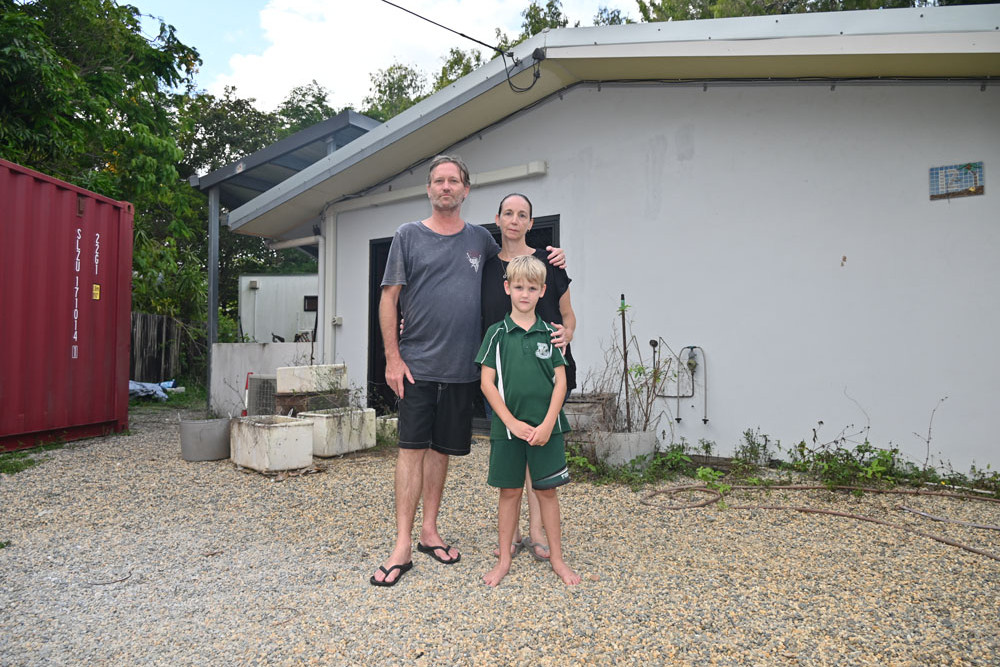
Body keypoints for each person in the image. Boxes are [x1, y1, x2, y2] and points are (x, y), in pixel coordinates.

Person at [371, 156, 565, 587]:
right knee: (410, 450)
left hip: (463, 368)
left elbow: (521, 266)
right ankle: (402, 545)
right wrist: (392, 357)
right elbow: (389, 299)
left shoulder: (480, 240)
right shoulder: (407, 236)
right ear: (429, 189)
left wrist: (556, 258)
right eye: (438, 181)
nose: (445, 187)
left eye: (453, 181)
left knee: (442, 451)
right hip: (417, 365)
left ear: (466, 190)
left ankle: (429, 532)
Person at [481, 193, 577, 562]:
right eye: (508, 213)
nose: (515, 220)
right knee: (512, 452)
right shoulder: (487, 268)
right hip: (502, 373)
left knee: (538, 448)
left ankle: (538, 532)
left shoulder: (549, 263)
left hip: (545, 368)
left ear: (531, 222)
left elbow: (569, 317)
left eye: (523, 215)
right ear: (498, 219)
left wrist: (567, 334)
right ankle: (512, 534)